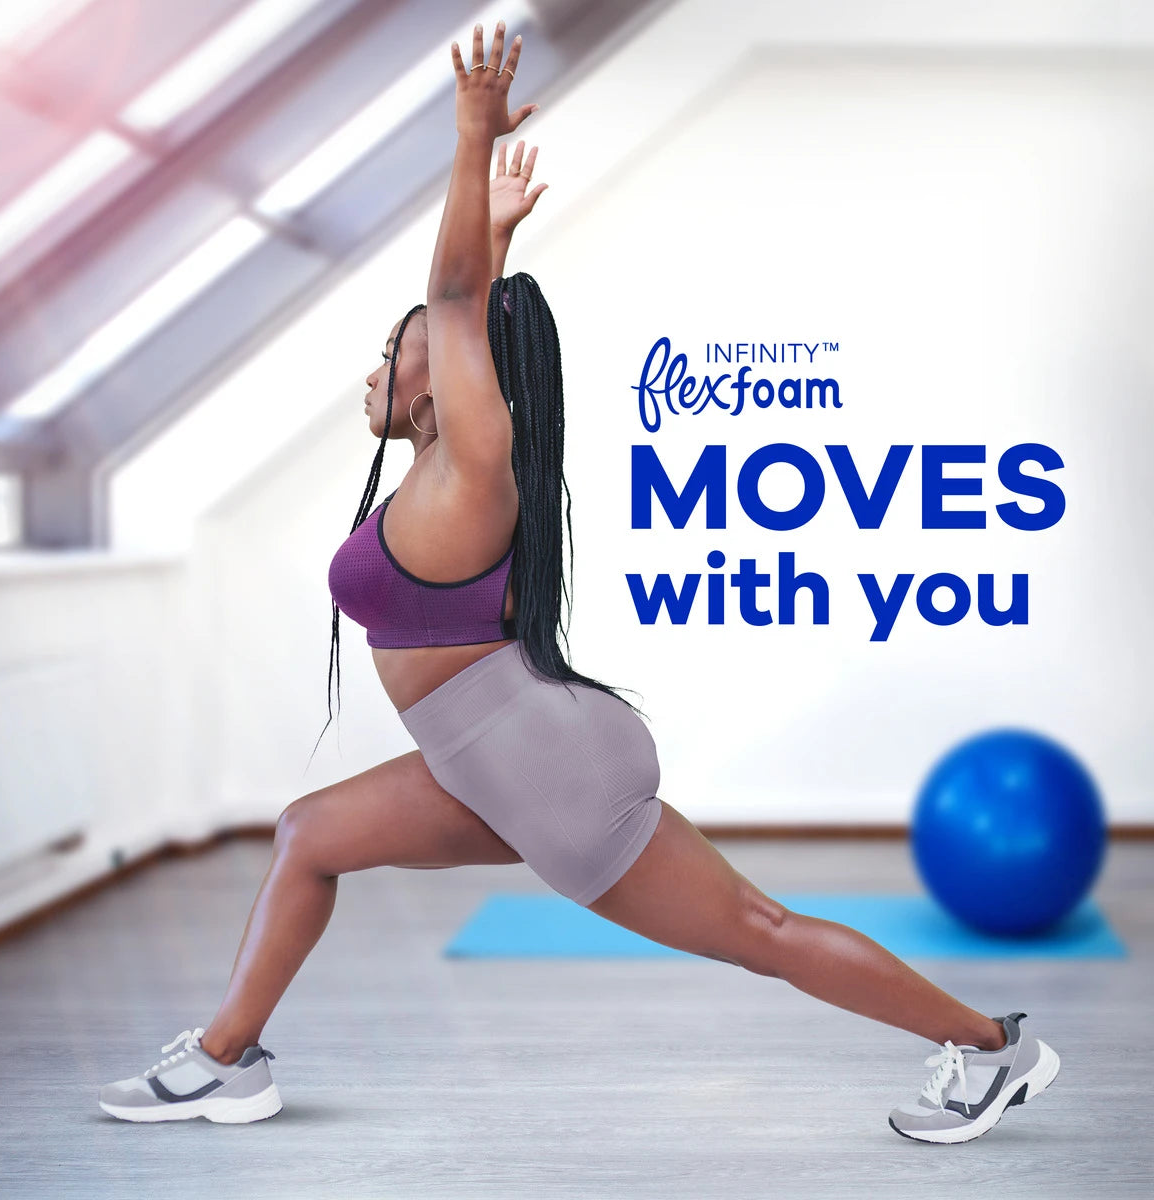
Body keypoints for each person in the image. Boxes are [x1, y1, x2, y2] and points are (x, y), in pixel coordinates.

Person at [99, 19, 1060, 1142]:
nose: (373, 367)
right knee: (311, 834)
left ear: (435, 395)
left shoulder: (473, 474)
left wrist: (469, 144)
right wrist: (491, 243)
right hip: (489, 753)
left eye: (389, 351)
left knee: (761, 930)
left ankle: (995, 1050)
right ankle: (227, 1060)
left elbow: (456, 306)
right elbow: (470, 310)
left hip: (538, 762)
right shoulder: (450, 471)